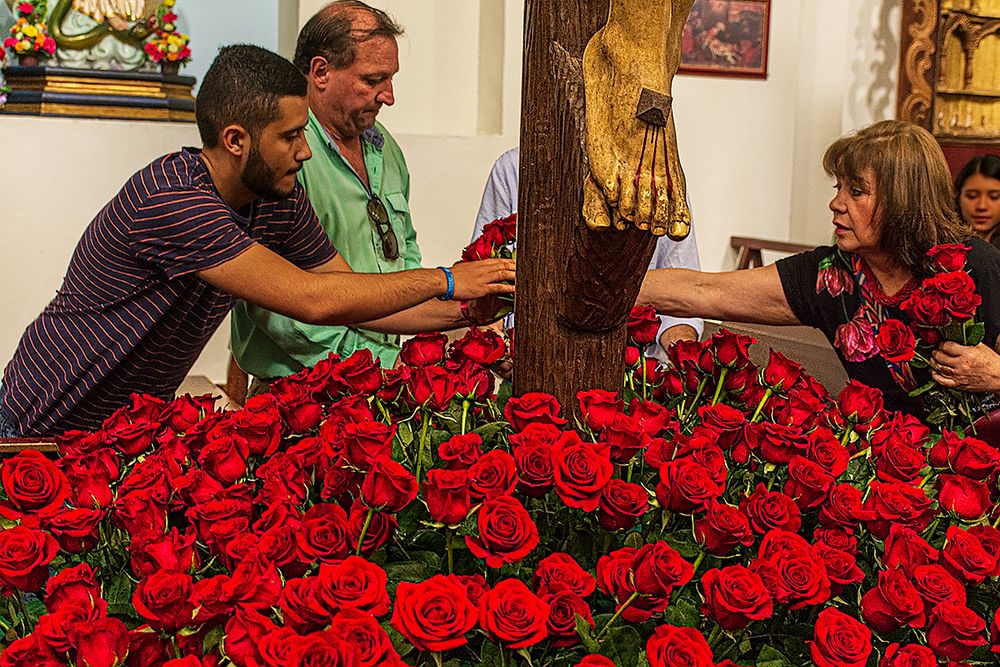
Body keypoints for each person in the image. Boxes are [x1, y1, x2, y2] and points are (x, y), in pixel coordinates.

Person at [0, 44, 513, 437]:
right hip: (43, 420)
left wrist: (468, 311)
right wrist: (445, 279)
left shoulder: (275, 200)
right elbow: (312, 301)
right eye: (290, 136)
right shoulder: (174, 199)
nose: (305, 152)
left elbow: (351, 295)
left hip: (125, 430)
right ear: (236, 140)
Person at [637, 120, 1000, 416]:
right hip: (896, 472)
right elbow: (705, 292)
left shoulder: (977, 268)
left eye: (855, 192)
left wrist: (996, 374)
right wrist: (594, 287)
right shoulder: (832, 277)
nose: (835, 203)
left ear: (902, 200)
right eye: (838, 187)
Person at [231, 1, 426, 389]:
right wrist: (381, 363)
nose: (388, 96)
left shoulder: (385, 147)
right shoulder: (280, 157)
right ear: (321, 72)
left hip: (381, 381)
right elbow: (275, 305)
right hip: (299, 392)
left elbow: (403, 251)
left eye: (391, 79)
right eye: (373, 80)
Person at [473, 147, 704, 362]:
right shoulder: (515, 167)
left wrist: (683, 355)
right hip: (529, 360)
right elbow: (485, 273)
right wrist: (494, 343)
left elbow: (680, 290)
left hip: (633, 370)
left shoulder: (659, 176)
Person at [955, 154, 1000, 248]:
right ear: (958, 196)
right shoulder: (944, 242)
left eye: (994, 197)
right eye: (972, 196)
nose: (981, 206)